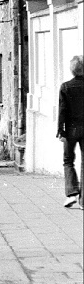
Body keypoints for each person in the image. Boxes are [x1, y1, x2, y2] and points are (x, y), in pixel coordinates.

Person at [58, 55, 84, 208]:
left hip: (71, 129)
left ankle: (72, 193)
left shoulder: (65, 87)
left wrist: (60, 130)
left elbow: (62, 111)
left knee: (68, 160)